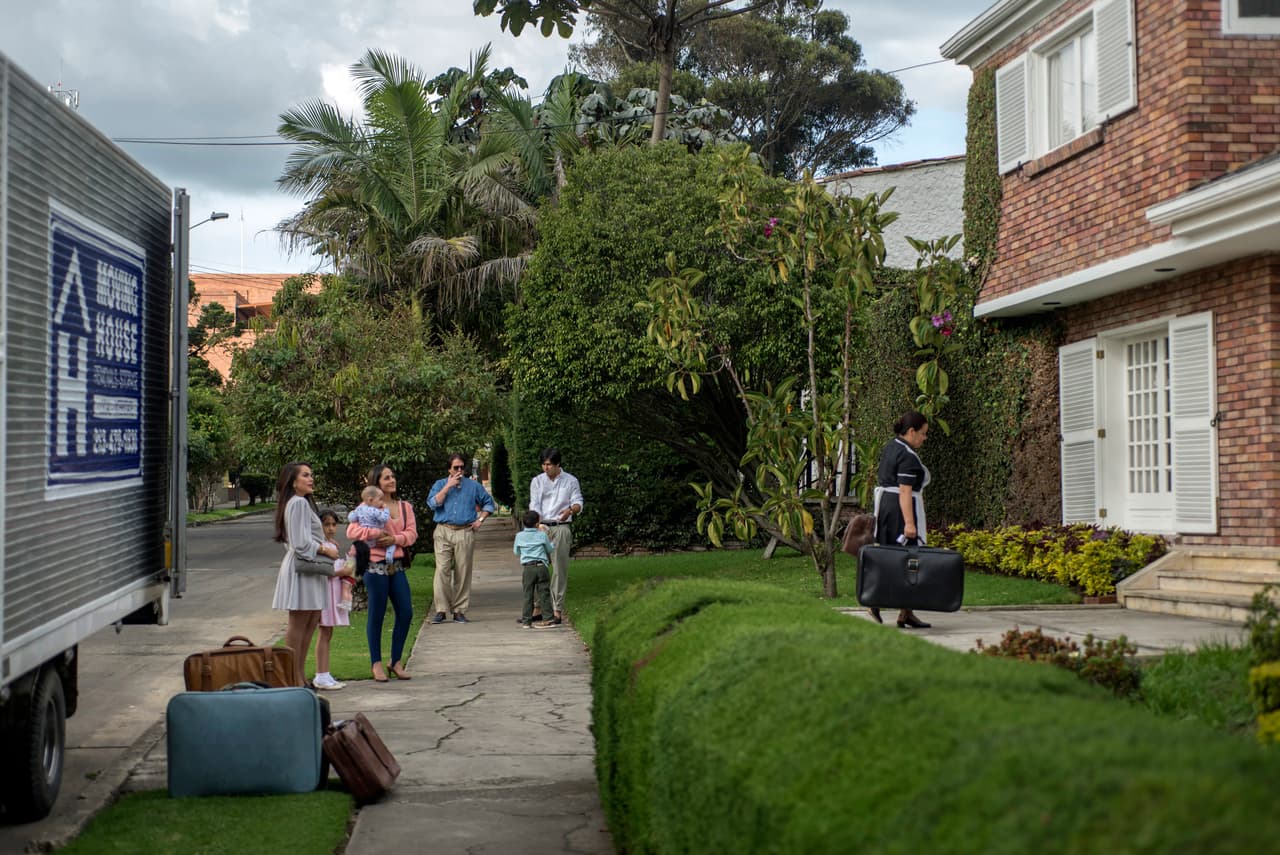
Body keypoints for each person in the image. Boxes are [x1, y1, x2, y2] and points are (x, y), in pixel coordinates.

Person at [271, 462, 354, 687]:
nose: (311, 479)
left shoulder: (302, 503)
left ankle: (299, 675)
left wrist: (324, 545)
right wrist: (324, 548)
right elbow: (299, 542)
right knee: (299, 625)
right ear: (293, 481)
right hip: (303, 569)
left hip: (311, 569)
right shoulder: (297, 503)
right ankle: (291, 677)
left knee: (309, 624)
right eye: (305, 475)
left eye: (311, 475)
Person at [348, 464, 417, 682]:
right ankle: (376, 663)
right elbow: (352, 531)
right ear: (376, 483)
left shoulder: (404, 507)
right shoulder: (367, 505)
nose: (391, 480)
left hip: (396, 567)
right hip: (374, 568)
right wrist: (376, 533)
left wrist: (394, 539)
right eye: (386, 477)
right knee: (376, 615)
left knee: (406, 612)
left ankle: (395, 661)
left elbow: (412, 534)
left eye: (393, 476)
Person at [870, 411, 933, 629]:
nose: (924, 439)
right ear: (912, 431)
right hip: (900, 510)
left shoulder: (891, 446)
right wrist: (909, 523)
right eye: (923, 434)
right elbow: (905, 491)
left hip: (887, 506)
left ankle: (906, 612)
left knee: (893, 556)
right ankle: (874, 600)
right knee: (908, 560)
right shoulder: (907, 455)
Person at [426, 453, 496, 624]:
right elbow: (432, 504)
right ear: (449, 469)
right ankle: (441, 609)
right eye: (455, 467)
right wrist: (448, 486)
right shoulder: (440, 484)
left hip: (465, 531)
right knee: (442, 569)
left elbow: (489, 503)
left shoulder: (473, 486)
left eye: (461, 467)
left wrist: (480, 519)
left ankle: (459, 610)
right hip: (443, 530)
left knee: (463, 571)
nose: (459, 470)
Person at [528, 447, 583, 626]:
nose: (546, 468)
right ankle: (537, 608)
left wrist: (570, 510)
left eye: (549, 465)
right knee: (536, 568)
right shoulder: (537, 481)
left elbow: (578, 502)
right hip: (541, 526)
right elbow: (534, 505)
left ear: (558, 464)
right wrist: (537, 526)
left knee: (559, 569)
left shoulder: (570, 481)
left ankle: (556, 610)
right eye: (543, 464)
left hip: (561, 526)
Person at [313, 509, 351, 691]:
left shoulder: (332, 544)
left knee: (328, 633)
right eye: (326, 524)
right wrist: (340, 572)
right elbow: (322, 570)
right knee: (324, 632)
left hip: (332, 590)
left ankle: (325, 672)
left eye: (333, 524)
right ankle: (320, 674)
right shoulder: (320, 546)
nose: (330, 528)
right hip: (325, 591)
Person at [514, 510, 556, 628]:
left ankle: (527, 621)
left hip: (528, 568)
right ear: (537, 524)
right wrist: (552, 542)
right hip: (541, 566)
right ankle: (548, 619)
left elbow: (516, 551)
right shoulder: (542, 535)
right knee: (544, 593)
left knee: (528, 594)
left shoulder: (519, 536)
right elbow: (549, 549)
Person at [348, 484, 394, 567]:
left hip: (365, 539)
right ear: (370, 500)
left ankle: (354, 556)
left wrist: (353, 512)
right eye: (380, 499)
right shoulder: (375, 511)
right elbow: (384, 518)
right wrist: (386, 509)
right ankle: (389, 557)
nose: (382, 502)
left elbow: (351, 518)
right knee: (392, 543)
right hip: (376, 538)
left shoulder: (359, 509)